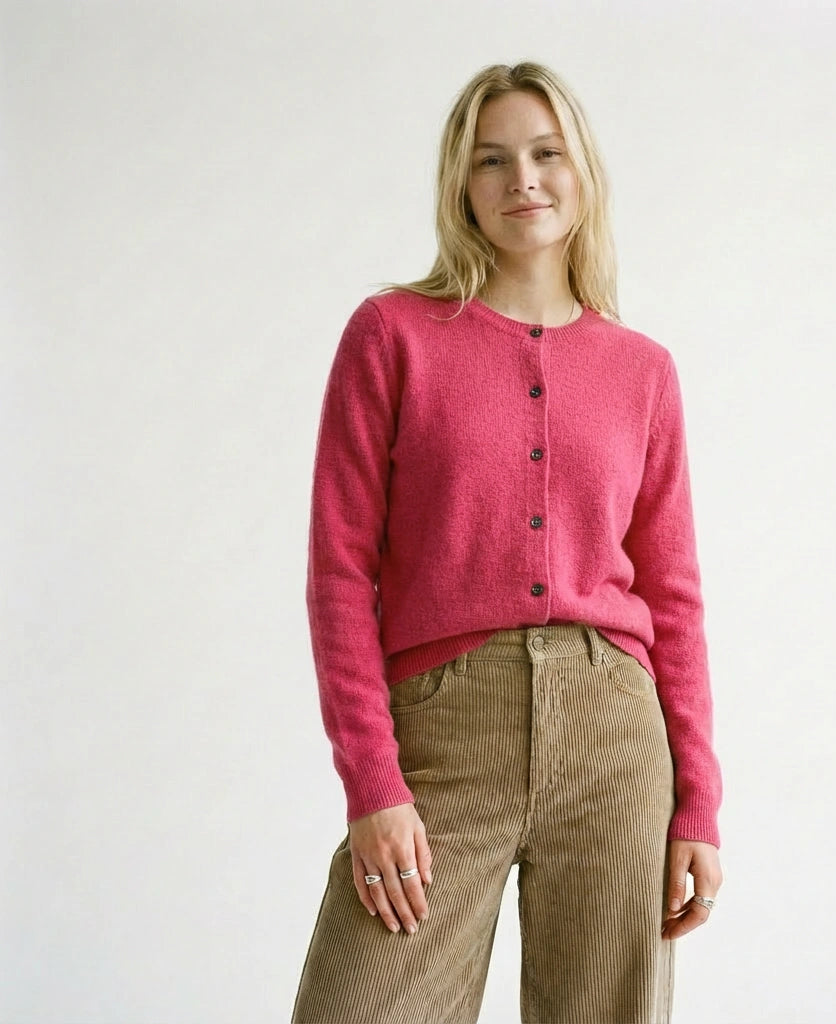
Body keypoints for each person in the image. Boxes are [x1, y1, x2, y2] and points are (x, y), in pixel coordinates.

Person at [291, 60, 724, 1024]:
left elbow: (675, 594)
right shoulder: (391, 335)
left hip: (614, 731)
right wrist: (372, 784)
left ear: (582, 174)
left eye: (544, 153)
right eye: (492, 161)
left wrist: (698, 800)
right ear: (461, 187)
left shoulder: (642, 371)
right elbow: (339, 573)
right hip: (443, 731)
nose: (521, 179)